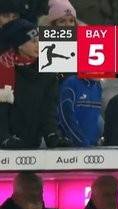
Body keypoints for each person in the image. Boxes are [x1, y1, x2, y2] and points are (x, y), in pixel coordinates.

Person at [0, 18, 69, 149]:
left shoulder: (47, 72)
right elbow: (1, 111)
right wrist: (4, 137)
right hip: (5, 145)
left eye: (39, 41)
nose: (39, 45)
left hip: (32, 143)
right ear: (19, 45)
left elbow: (48, 109)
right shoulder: (4, 69)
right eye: (33, 41)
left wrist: (52, 135)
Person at [57, 72, 102, 147]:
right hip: (72, 147)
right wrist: (80, 141)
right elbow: (65, 116)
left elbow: (95, 117)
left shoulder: (97, 87)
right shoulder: (71, 83)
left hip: (92, 146)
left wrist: (96, 140)